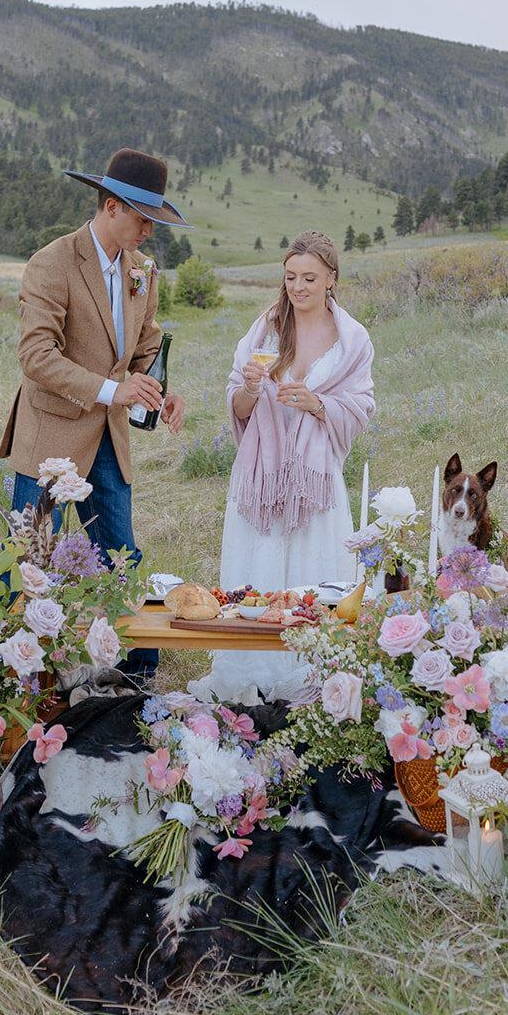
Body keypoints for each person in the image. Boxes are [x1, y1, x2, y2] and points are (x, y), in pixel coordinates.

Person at [0, 148, 186, 681]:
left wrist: (157, 389)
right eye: (144, 218)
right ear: (110, 207)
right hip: (50, 438)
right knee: (32, 561)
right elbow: (36, 356)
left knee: (121, 555)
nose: (150, 230)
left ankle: (136, 675)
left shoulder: (142, 272)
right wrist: (112, 390)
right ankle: (23, 678)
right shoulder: (52, 263)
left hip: (110, 437)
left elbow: (146, 345)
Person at [195, 230, 375, 704]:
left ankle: (311, 679)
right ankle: (250, 676)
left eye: (310, 277)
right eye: (291, 276)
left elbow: (361, 407)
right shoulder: (265, 331)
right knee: (260, 565)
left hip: (316, 482)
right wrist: (253, 390)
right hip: (261, 478)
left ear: (331, 278)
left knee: (313, 572)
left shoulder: (352, 339)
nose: (299, 287)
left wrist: (318, 404)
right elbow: (236, 403)